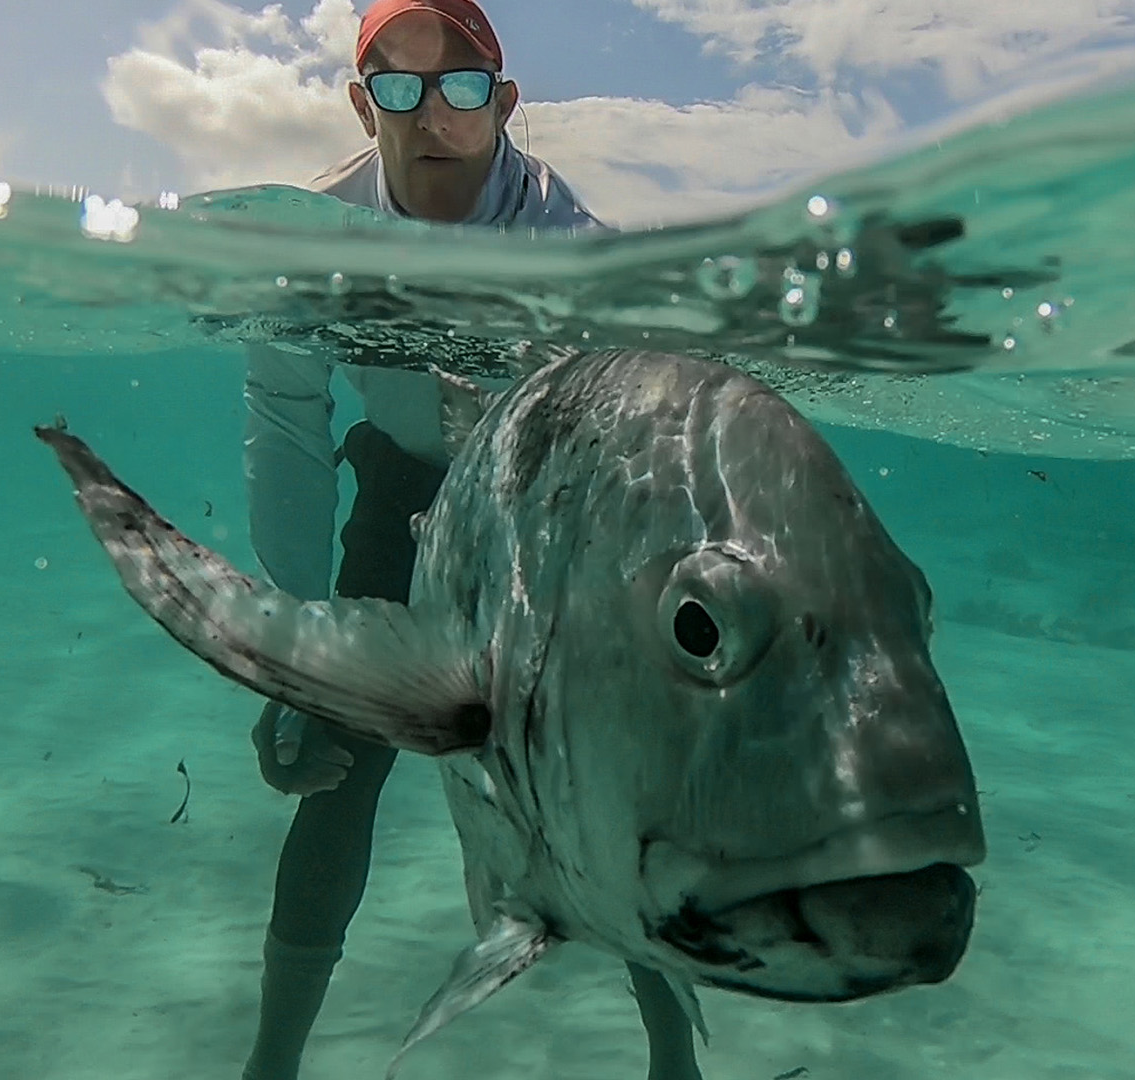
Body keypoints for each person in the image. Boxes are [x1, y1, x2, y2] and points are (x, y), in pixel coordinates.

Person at [237, 3, 704, 1080]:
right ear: (363, 104)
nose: (427, 115)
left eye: (456, 85)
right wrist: (294, 651)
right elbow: (286, 432)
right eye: (396, 87)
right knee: (336, 769)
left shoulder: (567, 252)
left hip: (543, 510)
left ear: (502, 104)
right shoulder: (306, 242)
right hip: (397, 486)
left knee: (603, 778)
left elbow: (631, 455)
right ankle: (270, 1066)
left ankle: (674, 1051)